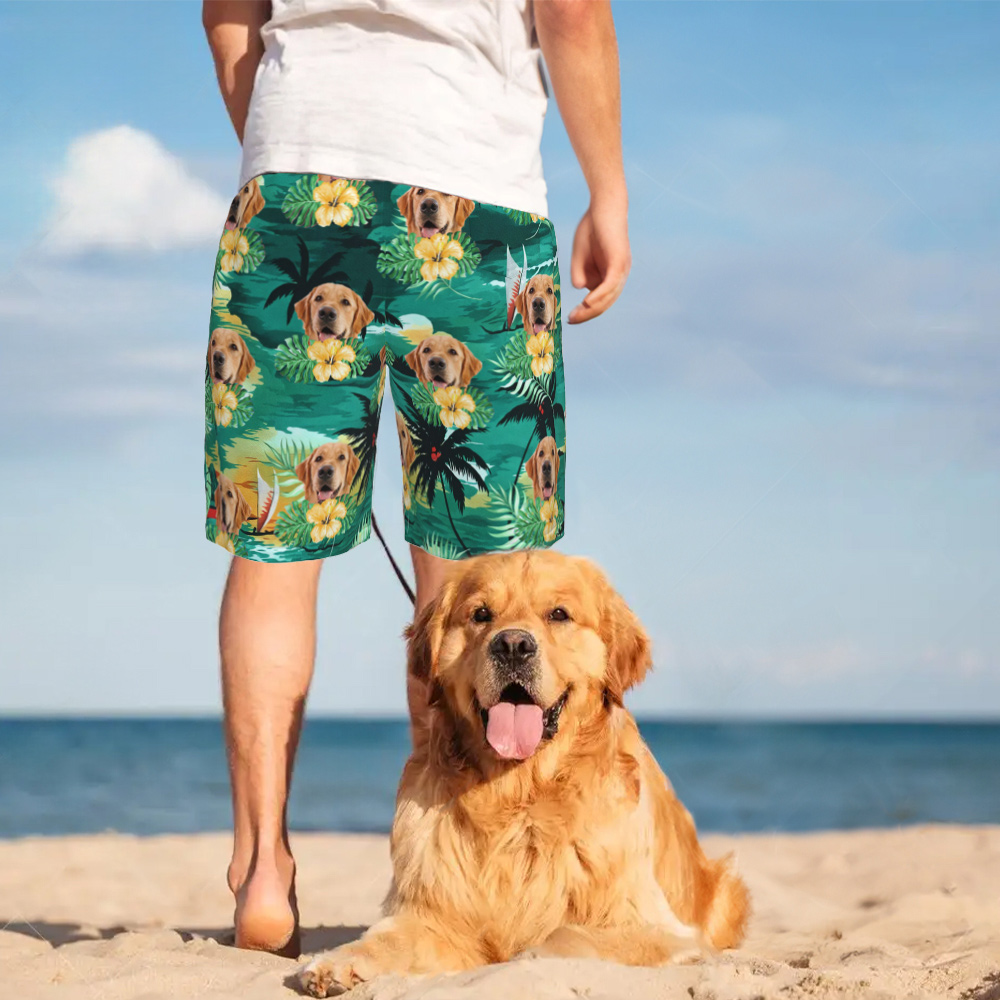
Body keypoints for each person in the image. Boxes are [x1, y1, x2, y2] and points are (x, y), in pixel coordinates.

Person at [202, 0, 630, 957]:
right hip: (475, 196)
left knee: (273, 549)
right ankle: (450, 866)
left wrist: (285, 153)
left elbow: (227, 14)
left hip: (296, 189)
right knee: (477, 571)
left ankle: (262, 868)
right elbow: (569, 11)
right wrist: (609, 189)